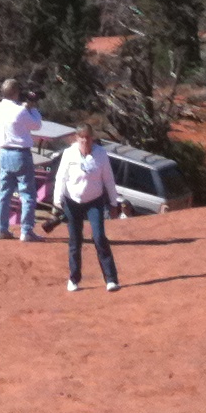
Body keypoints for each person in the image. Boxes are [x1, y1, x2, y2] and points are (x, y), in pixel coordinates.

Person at [52, 123, 122, 292]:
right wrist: (57, 200)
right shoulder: (69, 154)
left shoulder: (101, 154)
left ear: (92, 138)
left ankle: (111, 279)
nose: (85, 141)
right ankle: (74, 279)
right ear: (77, 138)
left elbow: (108, 179)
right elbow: (61, 177)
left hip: (94, 201)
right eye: (82, 137)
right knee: (75, 241)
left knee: (99, 237)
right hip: (72, 201)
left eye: (88, 137)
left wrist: (114, 202)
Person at [0, 78, 43, 241]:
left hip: (4, 152)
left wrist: (25, 107)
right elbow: (37, 125)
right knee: (27, 193)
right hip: (20, 153)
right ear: (15, 93)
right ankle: (26, 231)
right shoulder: (20, 111)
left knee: (4, 192)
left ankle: (1, 229)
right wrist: (32, 108)